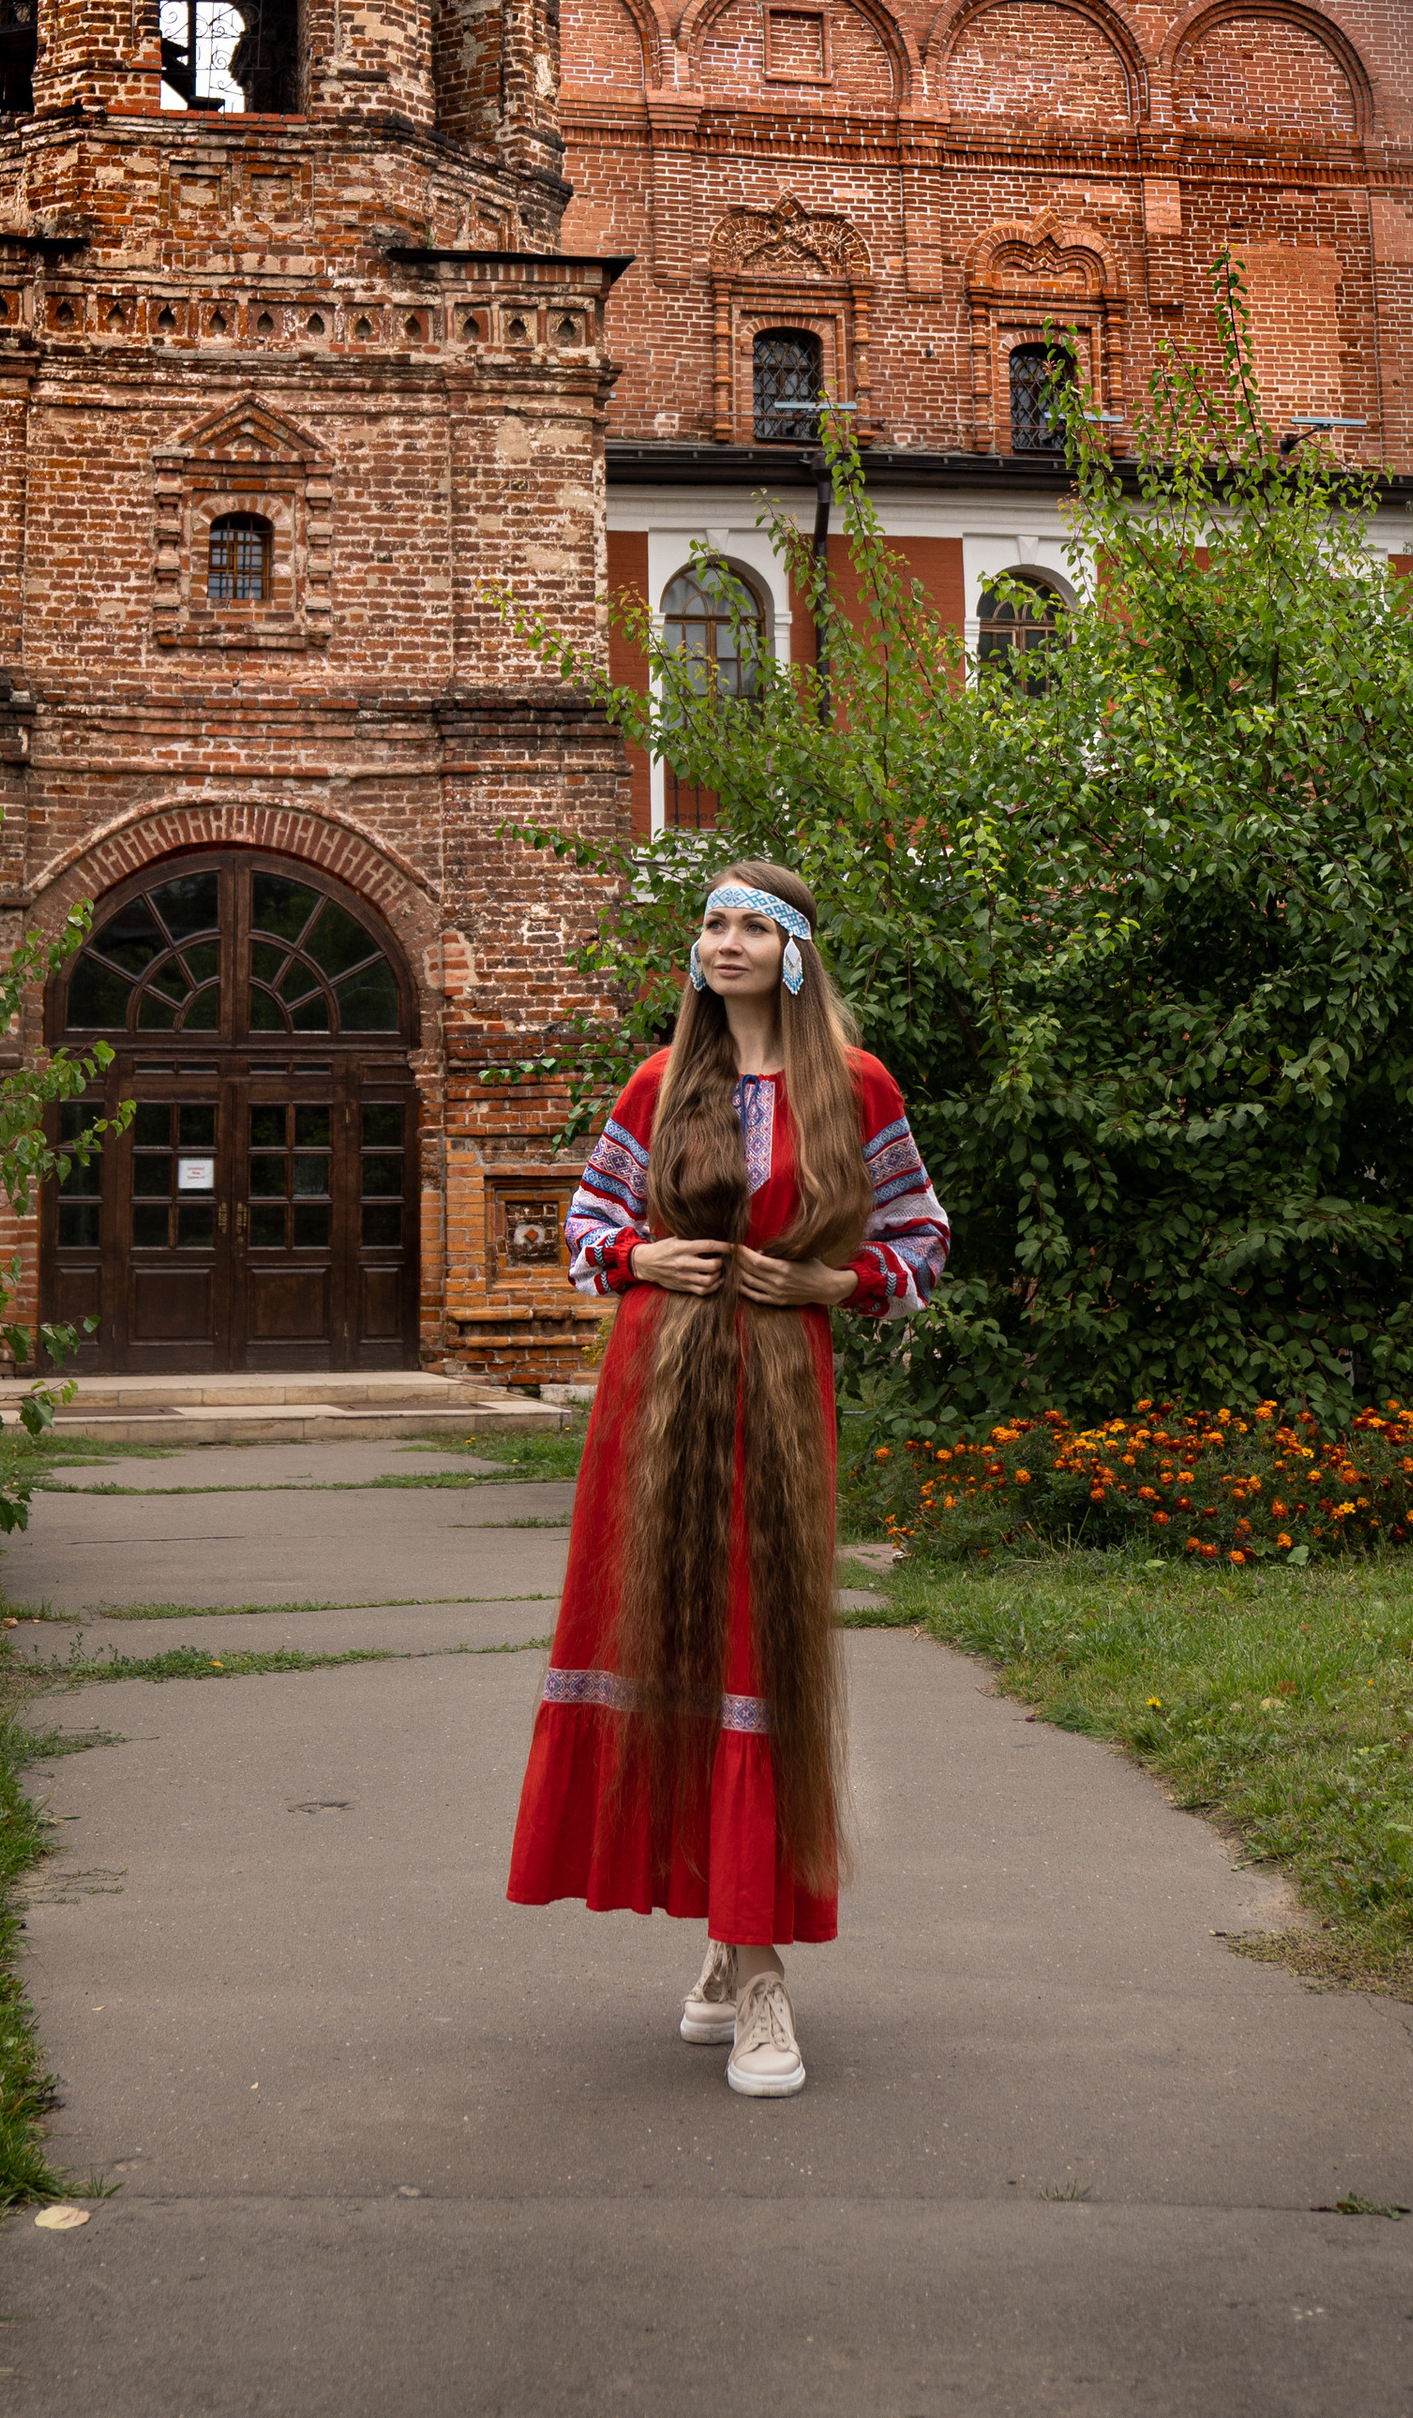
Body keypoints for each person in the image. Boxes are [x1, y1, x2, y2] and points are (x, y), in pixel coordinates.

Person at [506, 861, 949, 2097]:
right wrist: (642, 1249)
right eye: (712, 922)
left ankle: (758, 1976)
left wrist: (830, 1284)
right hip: (653, 1396)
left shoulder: (852, 1087)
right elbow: (585, 1226)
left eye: (755, 924)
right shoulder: (661, 1081)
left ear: (798, 950)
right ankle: (722, 1939)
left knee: (761, 1659)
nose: (727, 941)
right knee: (672, 1649)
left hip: (780, 1395)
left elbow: (919, 1235)